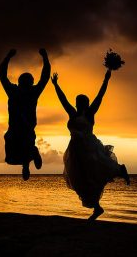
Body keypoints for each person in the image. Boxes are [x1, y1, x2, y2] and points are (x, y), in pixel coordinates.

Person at [51, 69, 130, 221]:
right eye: (77, 102)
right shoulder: (72, 114)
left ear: (86, 104)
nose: (78, 104)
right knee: (82, 180)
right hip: (75, 151)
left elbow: (100, 95)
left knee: (97, 172)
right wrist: (55, 85)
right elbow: (63, 100)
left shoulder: (90, 113)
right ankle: (97, 208)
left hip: (89, 148)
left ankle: (121, 170)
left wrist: (106, 79)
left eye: (81, 102)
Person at [0, 48, 51, 180]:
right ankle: (28, 161)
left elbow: (2, 75)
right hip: (25, 128)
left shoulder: (13, 91)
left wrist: (8, 57)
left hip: (17, 128)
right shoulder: (33, 92)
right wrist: (45, 57)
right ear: (31, 82)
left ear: (20, 82)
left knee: (12, 157)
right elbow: (45, 77)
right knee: (23, 148)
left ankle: (29, 159)